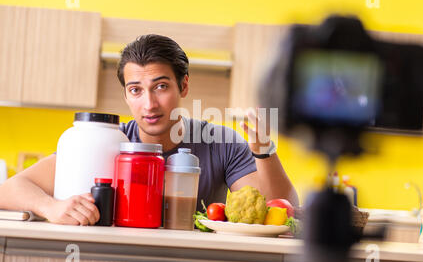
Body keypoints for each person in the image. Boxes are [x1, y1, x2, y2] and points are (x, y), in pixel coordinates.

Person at [0, 34, 299, 226]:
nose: (149, 103)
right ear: (126, 95)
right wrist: (50, 207)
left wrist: (263, 150)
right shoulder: (105, 142)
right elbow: (9, 188)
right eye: (136, 90)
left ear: (183, 85)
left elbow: (278, 211)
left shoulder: (221, 143)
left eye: (161, 87)